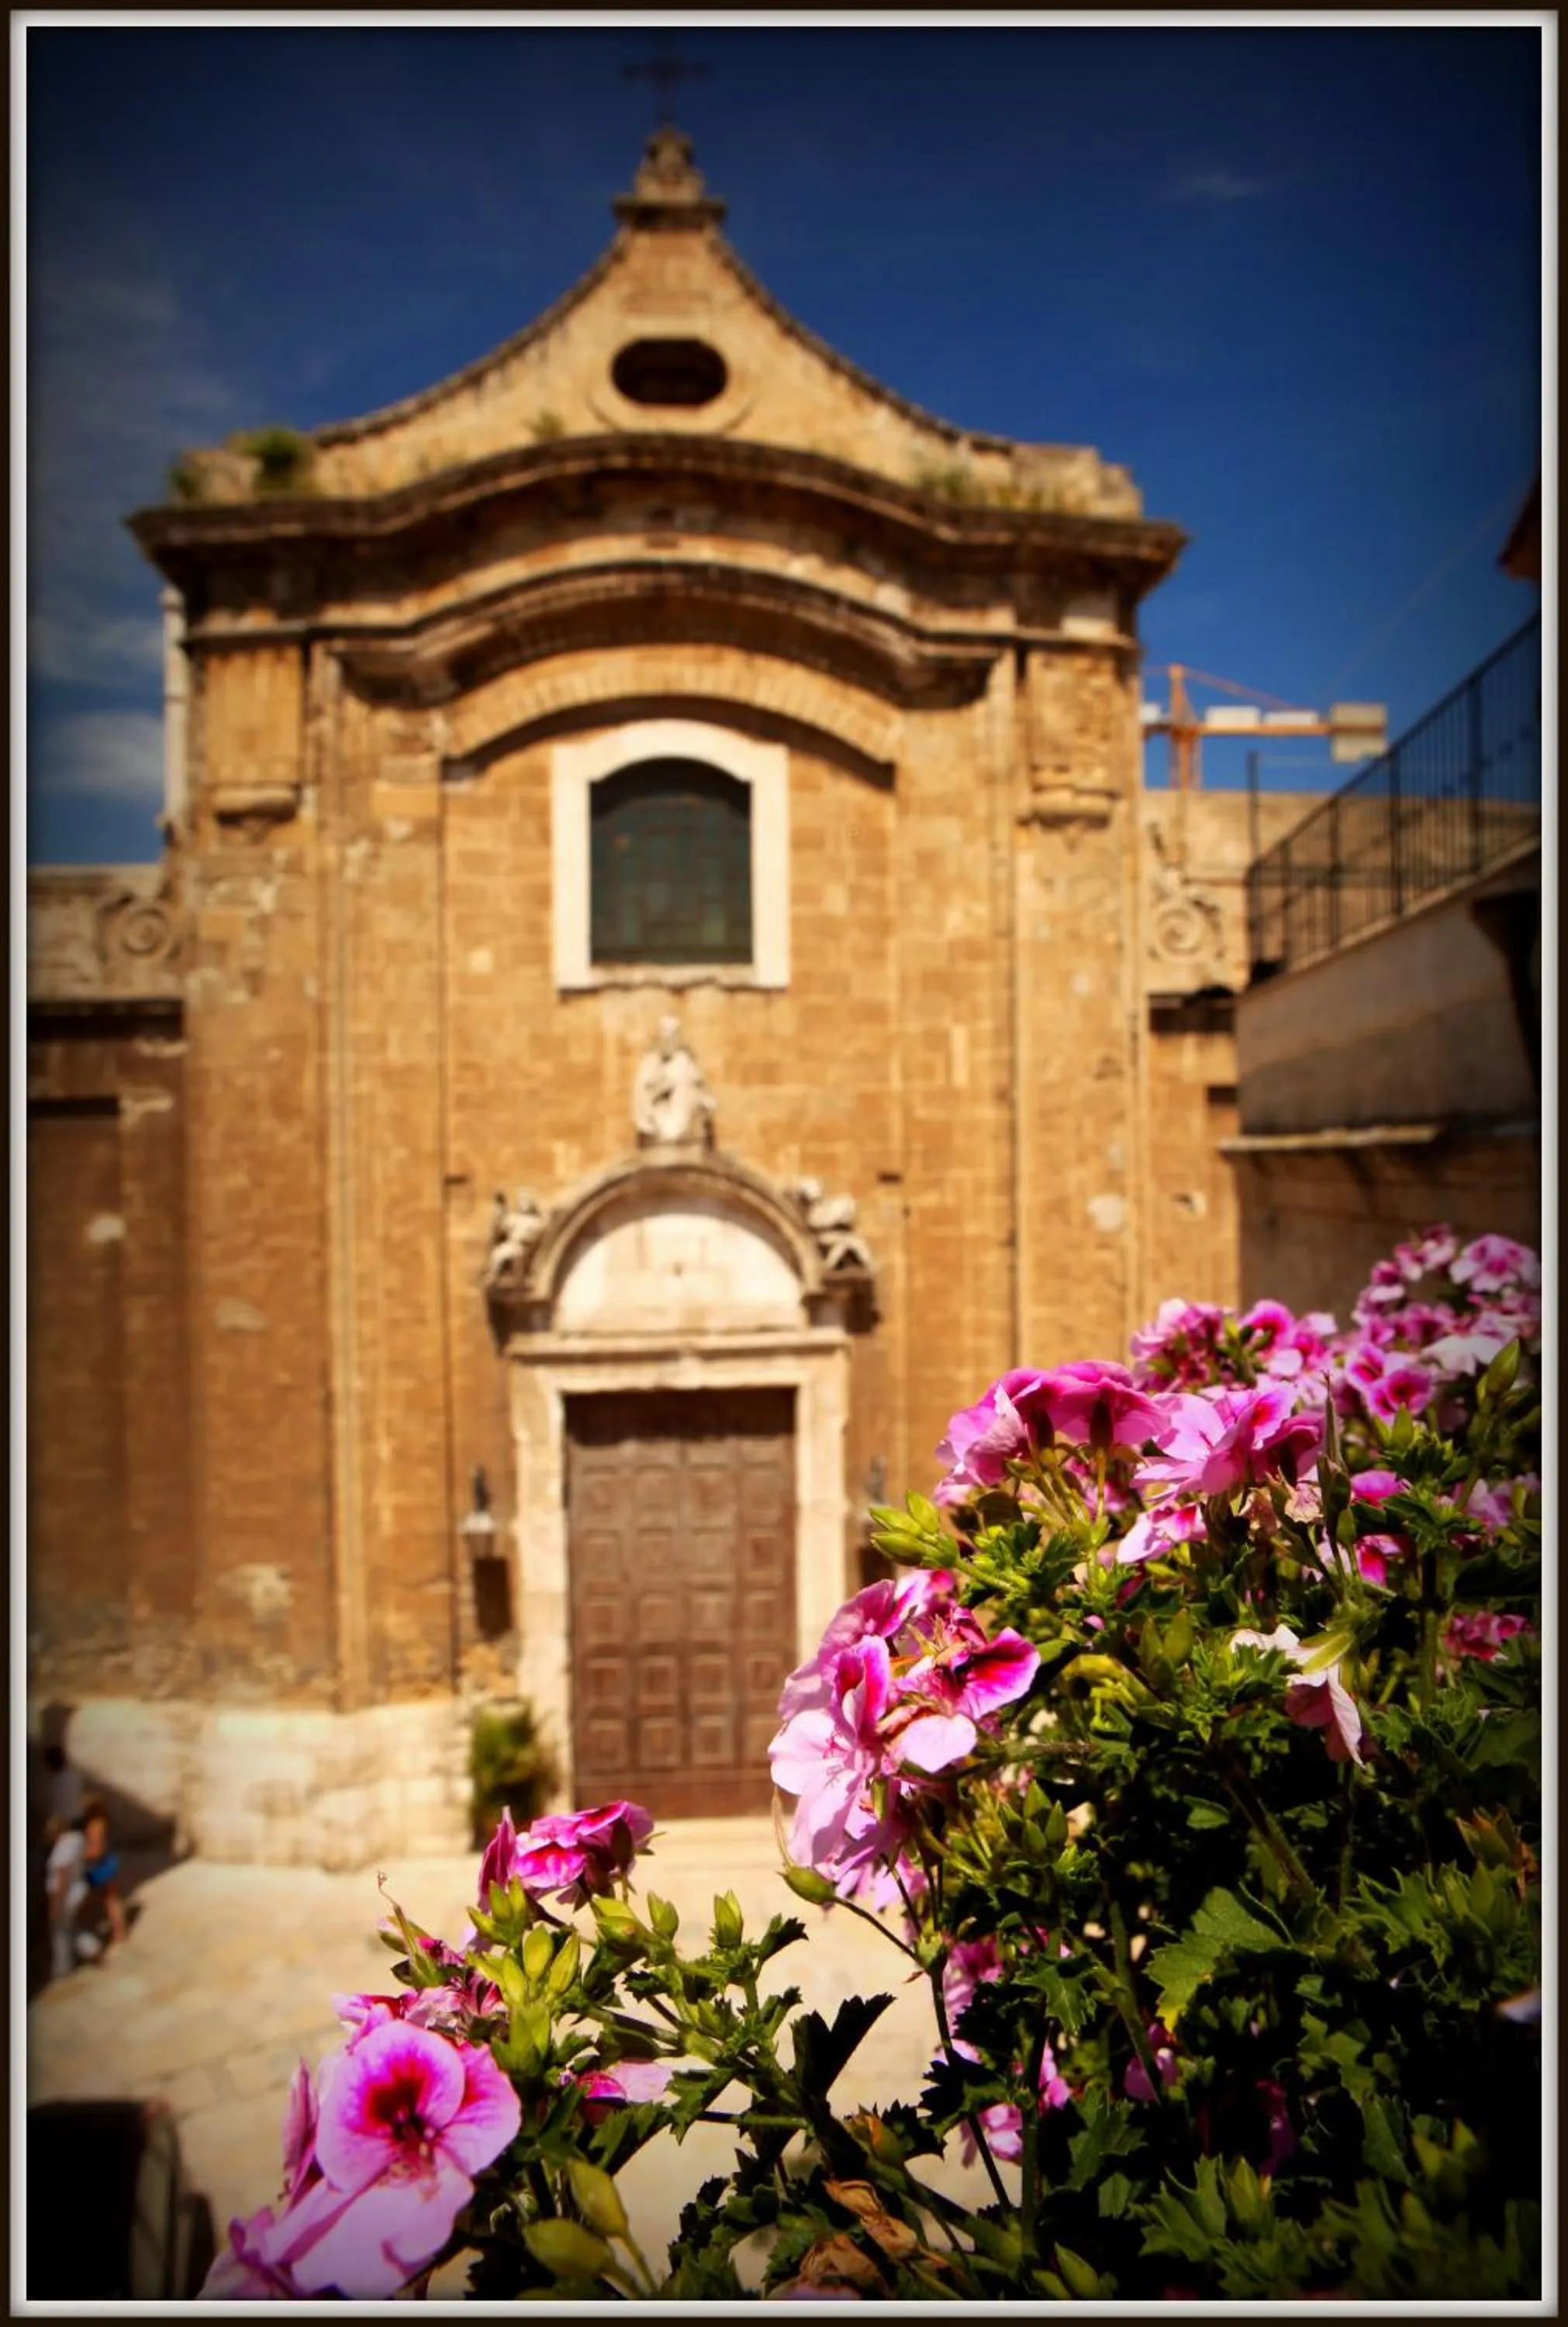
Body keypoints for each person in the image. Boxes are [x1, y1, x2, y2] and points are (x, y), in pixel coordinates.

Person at [80, 1801, 127, 1959]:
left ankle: (90, 1937)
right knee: (112, 1899)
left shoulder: (95, 1825)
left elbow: (96, 1851)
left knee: (90, 1901)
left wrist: (80, 1855)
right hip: (111, 1862)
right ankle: (120, 1933)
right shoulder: (106, 1822)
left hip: (101, 1866)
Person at [44, 1816, 88, 1982]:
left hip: (66, 1896)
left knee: (60, 1933)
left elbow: (62, 1878)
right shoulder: (77, 1840)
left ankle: (63, 1968)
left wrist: (56, 1904)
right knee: (69, 1928)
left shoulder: (62, 1849)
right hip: (78, 1890)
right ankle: (91, 1949)